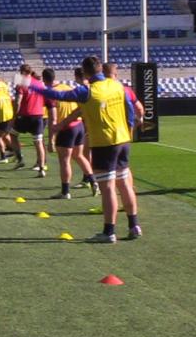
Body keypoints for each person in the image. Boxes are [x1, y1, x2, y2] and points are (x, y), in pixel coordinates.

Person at [30, 56, 141, 243]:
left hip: (103, 142)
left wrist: (30, 84)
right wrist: (128, 129)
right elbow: (130, 110)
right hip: (122, 140)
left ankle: (109, 232)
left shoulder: (87, 91)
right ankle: (133, 225)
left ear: (86, 72)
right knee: (124, 184)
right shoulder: (117, 86)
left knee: (107, 189)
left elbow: (57, 95)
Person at [43, 68, 96, 200]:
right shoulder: (68, 87)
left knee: (65, 160)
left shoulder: (51, 94)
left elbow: (53, 118)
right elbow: (80, 107)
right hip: (78, 126)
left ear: (44, 80)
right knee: (79, 156)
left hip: (66, 128)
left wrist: (51, 139)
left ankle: (65, 191)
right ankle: (93, 181)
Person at [13, 64, 48, 176]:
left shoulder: (22, 83)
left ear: (22, 72)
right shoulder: (39, 83)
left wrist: (15, 115)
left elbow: (18, 100)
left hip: (25, 115)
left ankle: (19, 158)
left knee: (12, 134)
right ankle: (41, 168)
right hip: (38, 115)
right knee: (38, 142)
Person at [0, 76, 18, 165]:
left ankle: (3, 157)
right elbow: (13, 102)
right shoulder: (5, 94)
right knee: (5, 136)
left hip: (2, 117)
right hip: (10, 116)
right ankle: (15, 151)